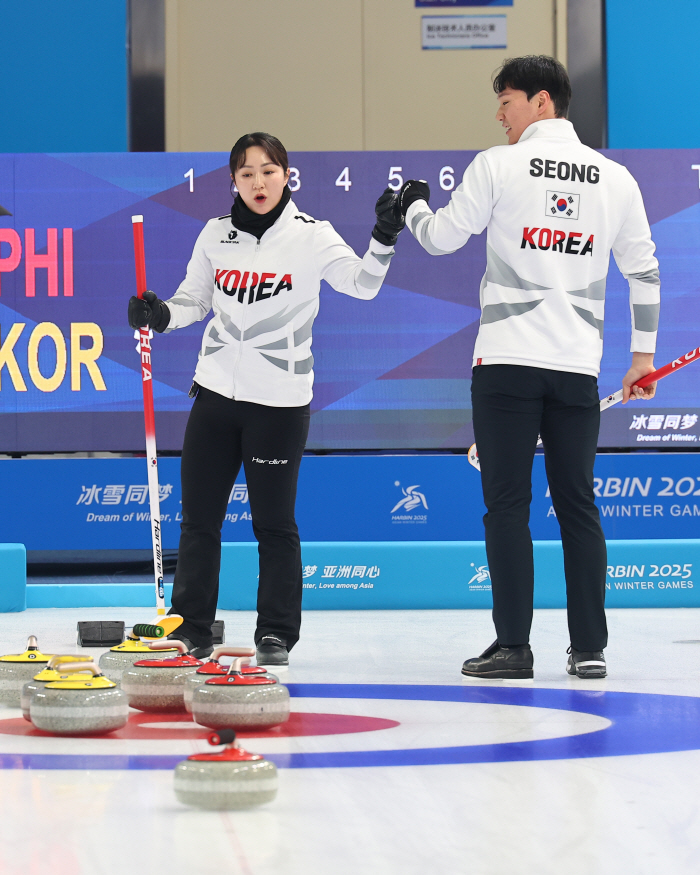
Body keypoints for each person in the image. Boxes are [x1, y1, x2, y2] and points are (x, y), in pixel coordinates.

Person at [398, 56, 660, 680]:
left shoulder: (498, 163)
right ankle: (590, 649)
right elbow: (644, 271)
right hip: (577, 369)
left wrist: (411, 207)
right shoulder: (615, 178)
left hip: (507, 365)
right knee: (578, 505)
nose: (499, 113)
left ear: (543, 101)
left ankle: (513, 647)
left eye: (507, 100)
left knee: (507, 507)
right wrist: (643, 357)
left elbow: (439, 238)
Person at [128, 132, 404, 664]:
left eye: (269, 170)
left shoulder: (312, 235)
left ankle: (275, 632)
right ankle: (191, 629)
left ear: (286, 175)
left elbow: (362, 284)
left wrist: (384, 236)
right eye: (247, 172)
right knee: (199, 520)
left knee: (274, 524)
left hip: (278, 404)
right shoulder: (214, 235)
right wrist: (160, 315)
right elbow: (194, 299)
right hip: (213, 398)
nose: (258, 182)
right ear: (233, 179)